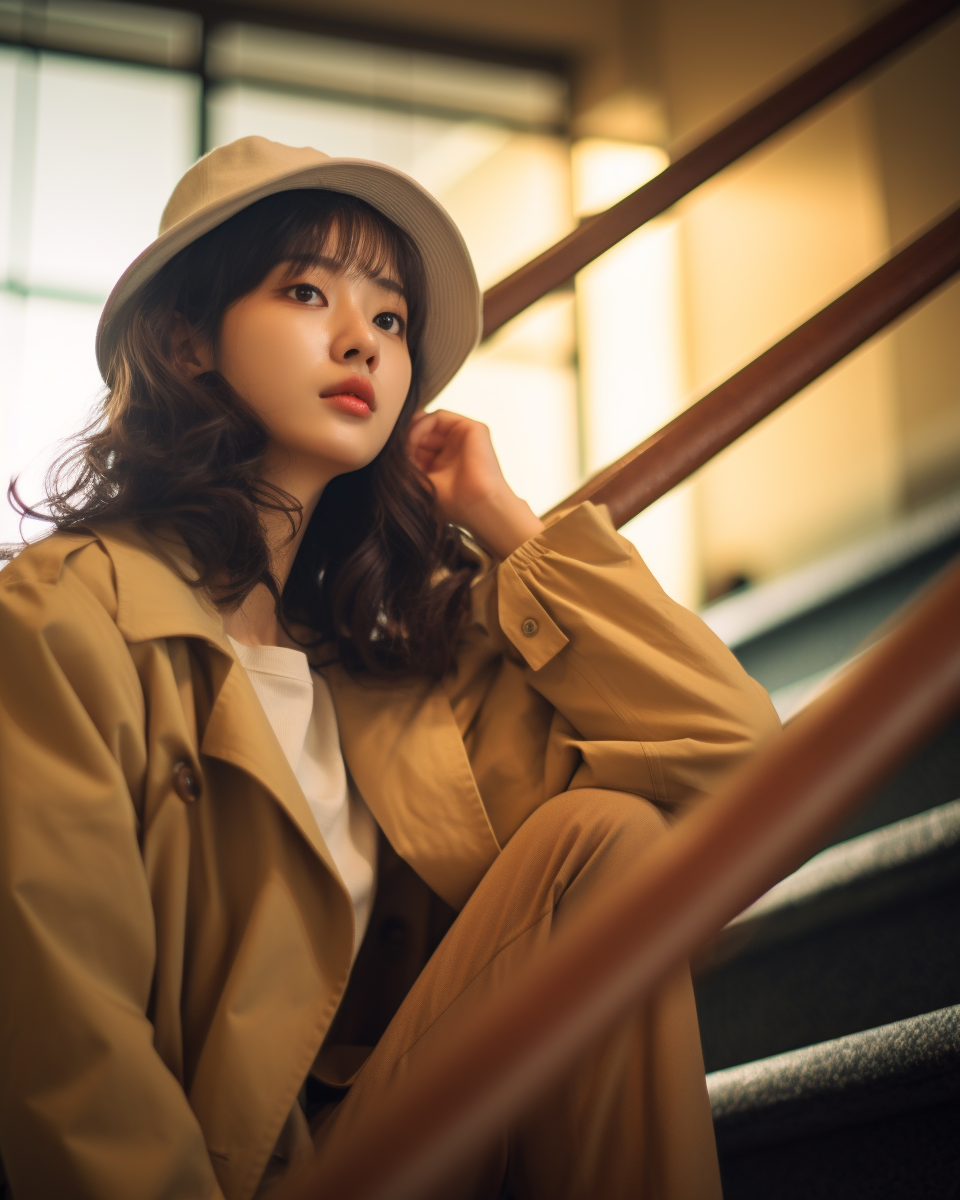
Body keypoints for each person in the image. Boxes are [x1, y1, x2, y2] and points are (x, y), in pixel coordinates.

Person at [0, 136, 780, 1200]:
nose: (360, 341)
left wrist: (509, 525)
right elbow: (68, 1033)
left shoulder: (393, 656)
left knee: (606, 835)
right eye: (307, 290)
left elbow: (740, 766)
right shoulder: (69, 614)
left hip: (388, 1146)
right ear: (188, 340)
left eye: (390, 317)